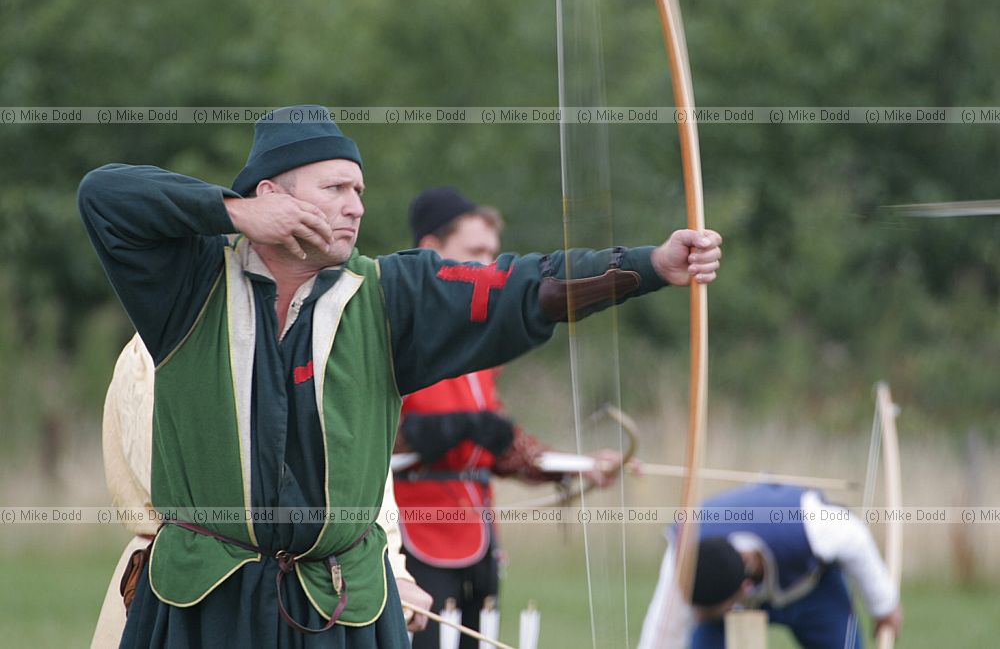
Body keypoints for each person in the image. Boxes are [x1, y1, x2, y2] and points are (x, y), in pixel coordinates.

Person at [77, 104, 723, 648]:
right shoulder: (188, 285)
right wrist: (232, 213)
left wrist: (648, 264)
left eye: (360, 190)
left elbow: (523, 286)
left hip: (340, 606)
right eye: (335, 188)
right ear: (270, 195)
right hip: (205, 604)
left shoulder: (388, 295)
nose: (356, 205)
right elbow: (104, 195)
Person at [89, 335, 429, 648]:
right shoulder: (167, 338)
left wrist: (395, 574)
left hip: (326, 598)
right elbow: (178, 488)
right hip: (193, 595)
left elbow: (364, 482)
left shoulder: (334, 335)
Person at [393, 187, 620, 648]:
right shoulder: (397, 328)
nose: (489, 265)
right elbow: (362, 439)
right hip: (416, 536)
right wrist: (435, 433)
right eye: (475, 252)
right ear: (431, 251)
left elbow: (499, 445)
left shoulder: (480, 347)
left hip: (476, 539)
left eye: (493, 255)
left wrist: (578, 466)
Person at [637, 483, 903, 649]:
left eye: (704, 611)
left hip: (812, 590)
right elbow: (662, 633)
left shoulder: (811, 525)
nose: (695, 617)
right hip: (729, 611)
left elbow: (854, 538)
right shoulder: (685, 555)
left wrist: (883, 606)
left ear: (743, 587)